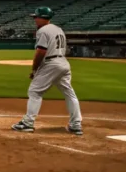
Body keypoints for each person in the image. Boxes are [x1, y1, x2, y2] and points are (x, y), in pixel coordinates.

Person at [12, 7, 83, 135]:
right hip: (63, 63)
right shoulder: (58, 29)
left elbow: (41, 51)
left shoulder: (43, 31)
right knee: (69, 93)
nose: (34, 20)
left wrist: (34, 69)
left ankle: (27, 123)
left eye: (36, 17)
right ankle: (76, 124)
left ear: (41, 17)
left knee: (34, 92)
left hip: (51, 63)